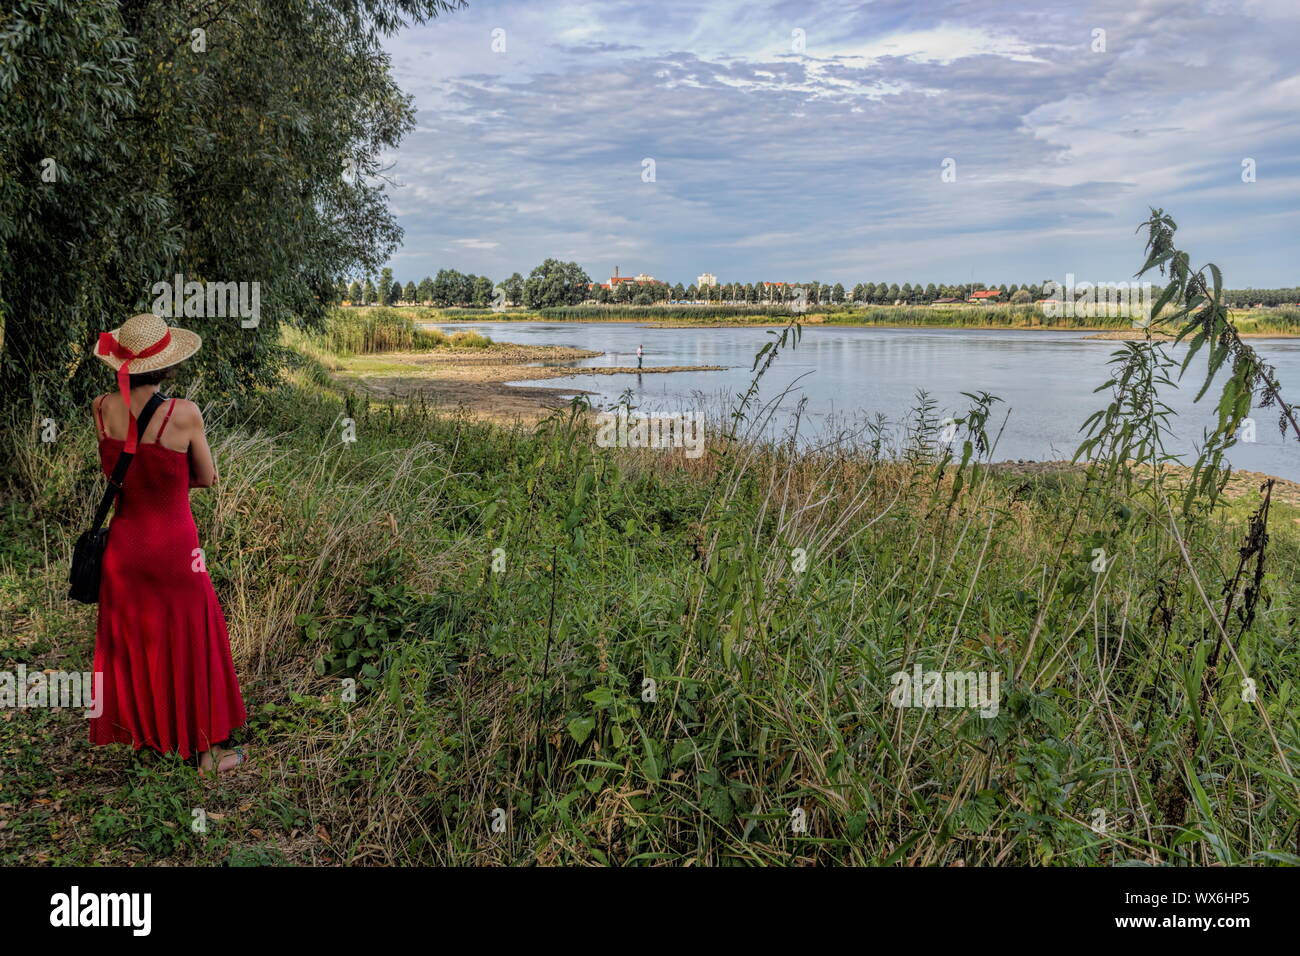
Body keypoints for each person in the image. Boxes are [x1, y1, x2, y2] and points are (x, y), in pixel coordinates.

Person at [90, 313, 248, 777]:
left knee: (136, 636)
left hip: (124, 546)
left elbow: (117, 471)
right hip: (175, 547)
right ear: (168, 365)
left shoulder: (100, 407)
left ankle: (147, 738)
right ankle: (207, 753)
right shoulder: (184, 413)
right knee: (191, 637)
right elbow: (206, 476)